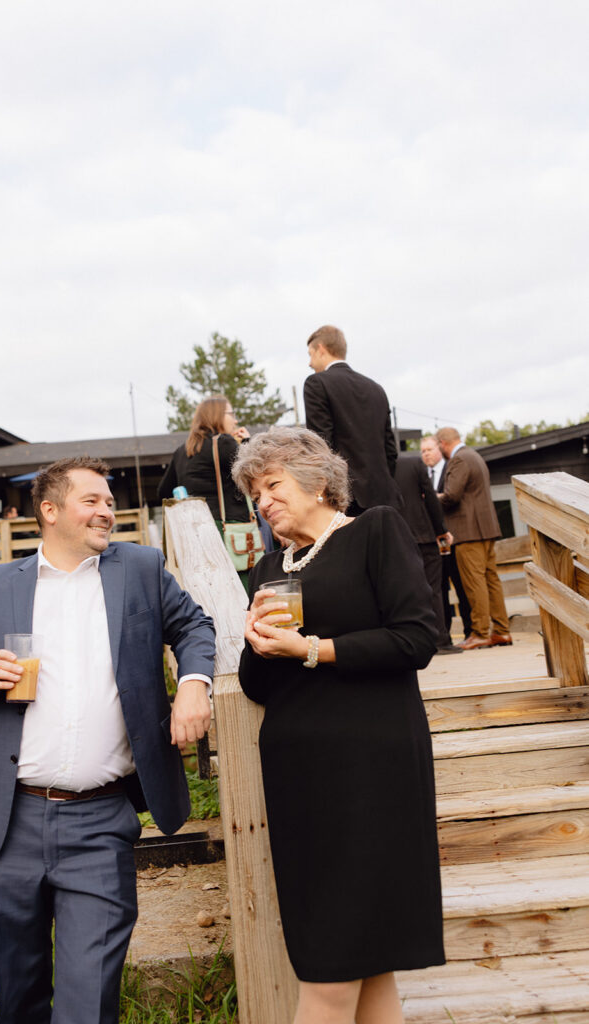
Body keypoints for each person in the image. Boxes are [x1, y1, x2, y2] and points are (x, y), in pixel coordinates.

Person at [0, 455, 215, 1024]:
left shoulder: (139, 569)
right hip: (8, 818)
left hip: (100, 821)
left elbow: (194, 626)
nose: (107, 511)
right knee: (18, 997)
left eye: (110, 502)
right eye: (92, 501)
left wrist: (192, 683)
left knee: (89, 1002)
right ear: (50, 511)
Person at [231, 426, 444, 1024]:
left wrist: (311, 649)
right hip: (300, 777)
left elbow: (416, 638)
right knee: (370, 969)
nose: (263, 501)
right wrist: (255, 641)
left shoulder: (374, 532)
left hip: (370, 771)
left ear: (318, 481)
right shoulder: (270, 568)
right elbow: (256, 685)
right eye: (255, 492)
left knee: (330, 969)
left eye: (272, 485)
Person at [303, 325, 402, 515]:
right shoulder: (376, 388)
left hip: (347, 499)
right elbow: (390, 451)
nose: (309, 363)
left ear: (321, 349)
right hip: (385, 498)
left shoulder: (317, 383)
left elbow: (321, 446)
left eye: (310, 354)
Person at [436, 427, 512, 650]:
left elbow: (451, 495)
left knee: (474, 583)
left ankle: (480, 633)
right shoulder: (475, 455)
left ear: (442, 443)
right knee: (491, 581)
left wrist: (428, 497)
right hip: (486, 529)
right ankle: (501, 631)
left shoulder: (459, 460)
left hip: (468, 531)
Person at [394, 453, 461, 655]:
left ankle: (410, 640)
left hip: (392, 538)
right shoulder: (413, 463)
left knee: (400, 591)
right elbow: (430, 498)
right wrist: (441, 529)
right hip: (422, 535)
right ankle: (440, 639)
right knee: (433, 588)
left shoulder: (371, 467)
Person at [158, 394, 251, 524]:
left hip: (195, 527)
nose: (235, 421)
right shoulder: (223, 443)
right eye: (231, 414)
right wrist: (247, 442)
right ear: (217, 416)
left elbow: (163, 492)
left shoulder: (182, 450)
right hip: (229, 526)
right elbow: (253, 472)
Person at [421, 435, 472, 638]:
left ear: (439, 449)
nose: (426, 454)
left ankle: (470, 631)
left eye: (430, 449)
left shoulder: (452, 468)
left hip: (454, 536)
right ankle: (445, 634)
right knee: (439, 589)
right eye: (423, 451)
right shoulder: (420, 475)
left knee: (461, 586)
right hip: (433, 541)